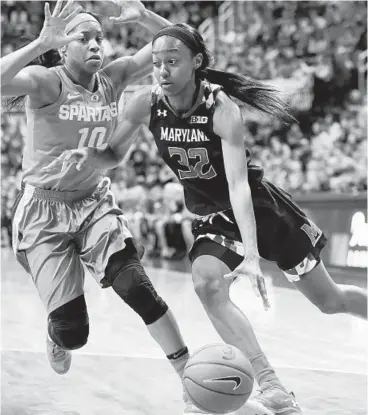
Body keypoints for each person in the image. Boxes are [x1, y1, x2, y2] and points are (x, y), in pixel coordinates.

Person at [43, 22, 368, 415]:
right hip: (212, 217)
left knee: (330, 301)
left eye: (172, 62)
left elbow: (238, 187)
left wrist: (251, 253)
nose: (162, 70)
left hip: (261, 211)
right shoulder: (145, 103)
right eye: (158, 62)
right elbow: (113, 153)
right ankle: (271, 383)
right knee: (207, 284)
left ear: (196, 63)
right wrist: (91, 157)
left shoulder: (222, 109)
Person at [0, 4, 220, 414]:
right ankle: (56, 332)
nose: (95, 44)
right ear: (64, 48)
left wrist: (143, 15)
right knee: (73, 333)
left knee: (136, 286)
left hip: (94, 202)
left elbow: (183, 42)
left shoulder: (113, 78)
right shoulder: (46, 83)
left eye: (99, 36)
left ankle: (189, 377)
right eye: (83, 38)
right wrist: (39, 44)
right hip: (43, 213)